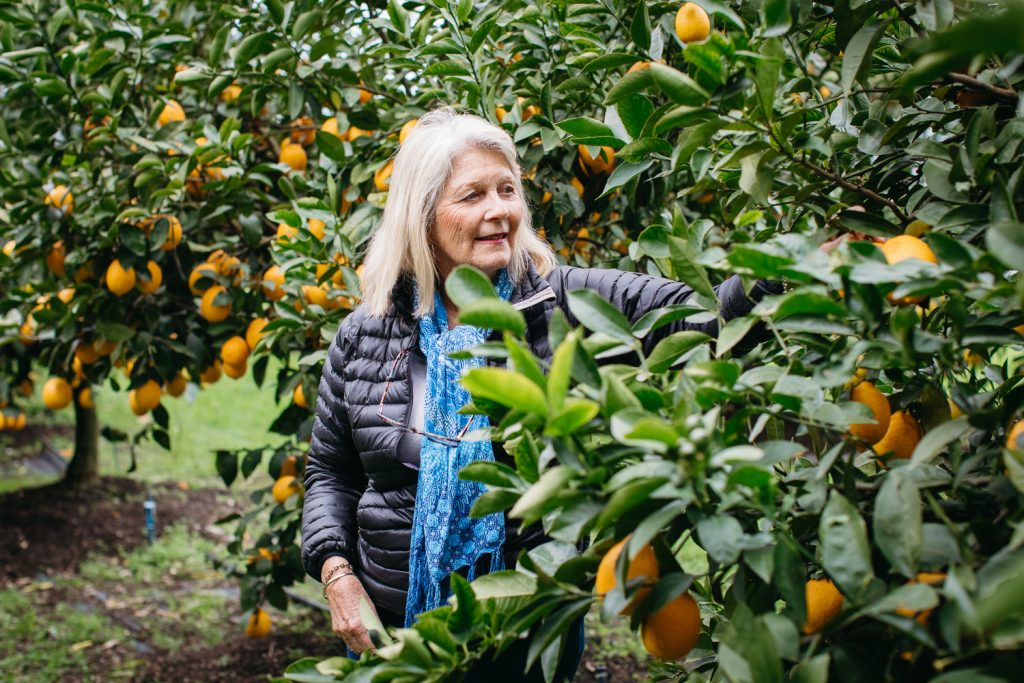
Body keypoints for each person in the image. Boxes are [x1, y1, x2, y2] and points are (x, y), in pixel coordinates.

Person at [300, 107, 781, 679]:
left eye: (507, 189)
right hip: (391, 634)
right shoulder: (368, 332)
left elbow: (698, 316)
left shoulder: (564, 304)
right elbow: (330, 470)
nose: (499, 209)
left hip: (527, 632)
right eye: (473, 195)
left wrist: (791, 270)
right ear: (422, 217)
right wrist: (336, 571)